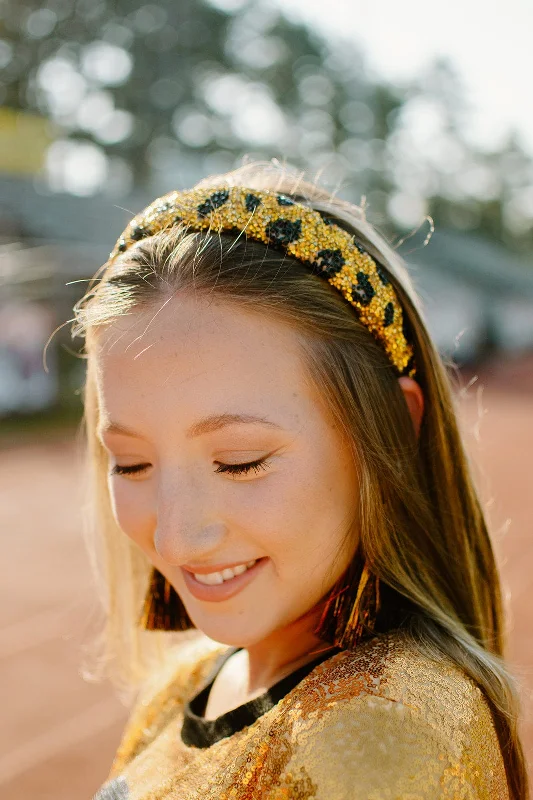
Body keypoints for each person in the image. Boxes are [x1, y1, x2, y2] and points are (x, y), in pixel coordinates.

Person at [75, 162, 527, 800]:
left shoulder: (381, 738)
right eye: (131, 464)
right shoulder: (190, 682)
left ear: (390, 431)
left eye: (240, 461)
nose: (176, 538)